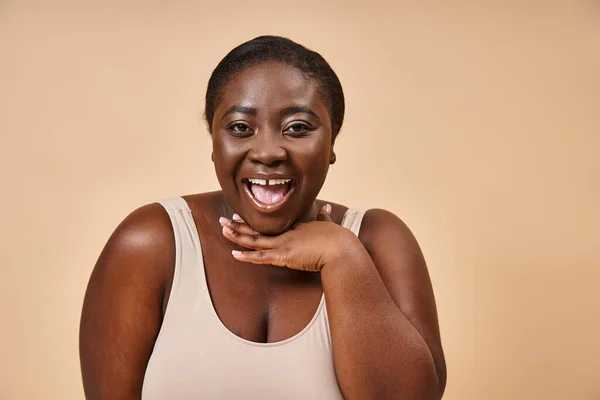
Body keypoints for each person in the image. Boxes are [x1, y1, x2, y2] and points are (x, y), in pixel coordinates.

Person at [79, 35, 446, 400]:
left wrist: (343, 256)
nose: (268, 152)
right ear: (214, 142)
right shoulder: (151, 244)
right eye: (240, 128)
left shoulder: (378, 241)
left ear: (332, 142)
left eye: (297, 127)